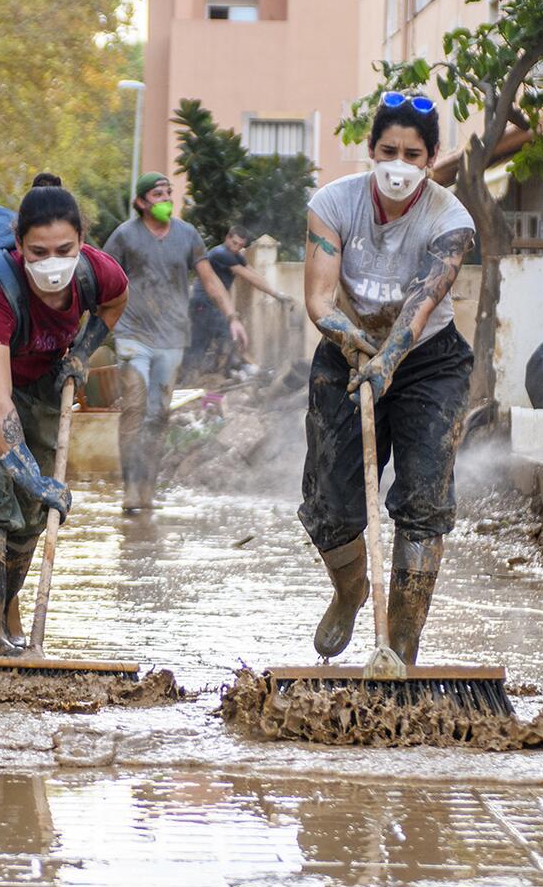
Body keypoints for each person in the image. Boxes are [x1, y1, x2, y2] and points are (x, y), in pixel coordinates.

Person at [300, 95, 476, 664]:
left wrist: (387, 360)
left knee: (424, 499)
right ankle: (351, 591)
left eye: (412, 154)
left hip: (428, 359)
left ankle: (401, 643)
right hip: (345, 351)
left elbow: (421, 306)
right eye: (388, 151)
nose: (398, 164)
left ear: (430, 160)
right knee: (330, 501)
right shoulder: (333, 203)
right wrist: (353, 343)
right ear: (371, 151)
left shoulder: (451, 220)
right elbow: (319, 299)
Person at [0, 174, 128, 655]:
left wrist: (81, 352)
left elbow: (115, 303)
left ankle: (8, 613)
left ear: (82, 241)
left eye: (64, 248)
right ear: (19, 245)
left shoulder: (98, 272)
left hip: (38, 380)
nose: (52, 263)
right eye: (38, 252)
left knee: (33, 515)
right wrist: (31, 476)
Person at [102, 172, 248, 513]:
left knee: (158, 414)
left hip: (171, 338)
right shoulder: (125, 236)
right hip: (132, 334)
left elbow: (210, 280)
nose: (167, 199)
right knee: (135, 407)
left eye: (169, 192)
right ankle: (130, 487)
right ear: (141, 202)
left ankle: (147, 491)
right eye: (158, 194)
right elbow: (103, 275)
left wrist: (232, 316)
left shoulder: (187, 235)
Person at [188, 225, 297, 378]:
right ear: (227, 238)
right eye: (234, 243)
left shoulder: (236, 255)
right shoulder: (220, 253)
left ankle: (219, 372)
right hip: (203, 302)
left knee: (204, 340)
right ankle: (243, 369)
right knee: (219, 336)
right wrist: (275, 294)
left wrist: (277, 293)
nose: (236, 248)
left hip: (216, 303)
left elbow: (254, 273)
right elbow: (247, 276)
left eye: (240, 245)